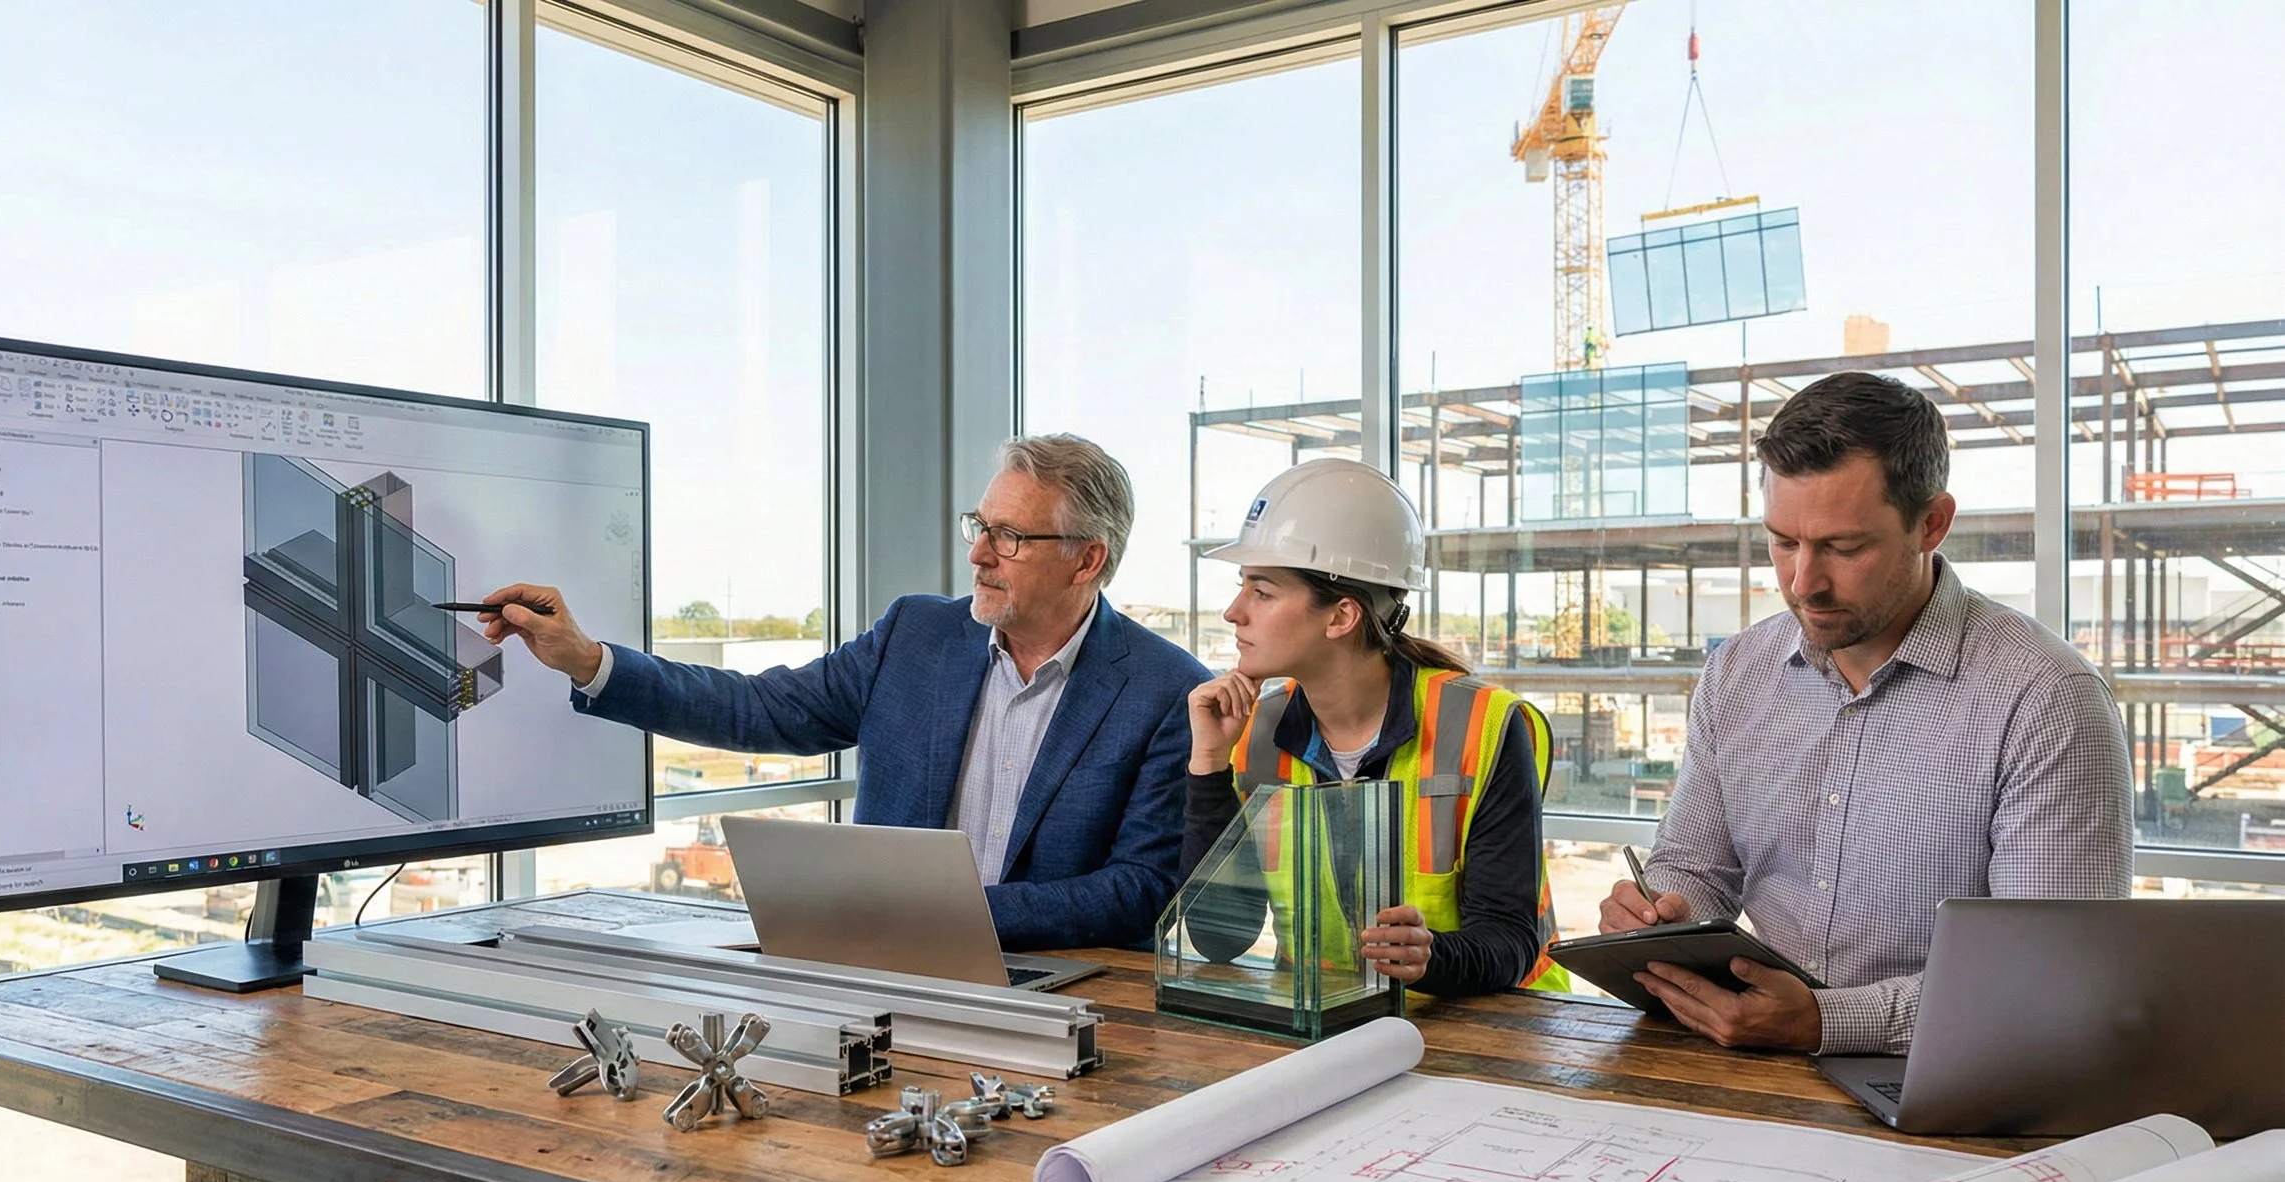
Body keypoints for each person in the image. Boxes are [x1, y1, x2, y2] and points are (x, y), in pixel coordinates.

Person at [480, 434, 1209, 951]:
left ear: (1088, 560)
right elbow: (756, 708)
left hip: (1061, 989)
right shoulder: (915, 635)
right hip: (882, 975)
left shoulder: (1166, 690)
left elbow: (1141, 888)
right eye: (979, 527)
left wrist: (947, 913)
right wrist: (588, 660)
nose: (978, 554)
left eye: (1010, 536)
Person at [1598, 370, 2132, 1055]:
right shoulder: (1737, 673)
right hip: (1761, 1064)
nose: (1802, 583)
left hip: (1962, 1077)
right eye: (1783, 541)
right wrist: (1659, 915)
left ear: (1932, 523)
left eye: (1843, 548)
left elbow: (2049, 979)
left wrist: (1824, 1022)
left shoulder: (2045, 699)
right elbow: (1697, 869)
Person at [1180, 458, 1570, 998]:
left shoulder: (1483, 726)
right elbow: (1221, 938)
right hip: (1329, 1026)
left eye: (1262, 592)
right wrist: (1208, 766)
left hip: (1494, 1031)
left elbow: (1510, 939)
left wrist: (1433, 957)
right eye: (1241, 587)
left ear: (1341, 616)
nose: (1233, 612)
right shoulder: (1255, 732)